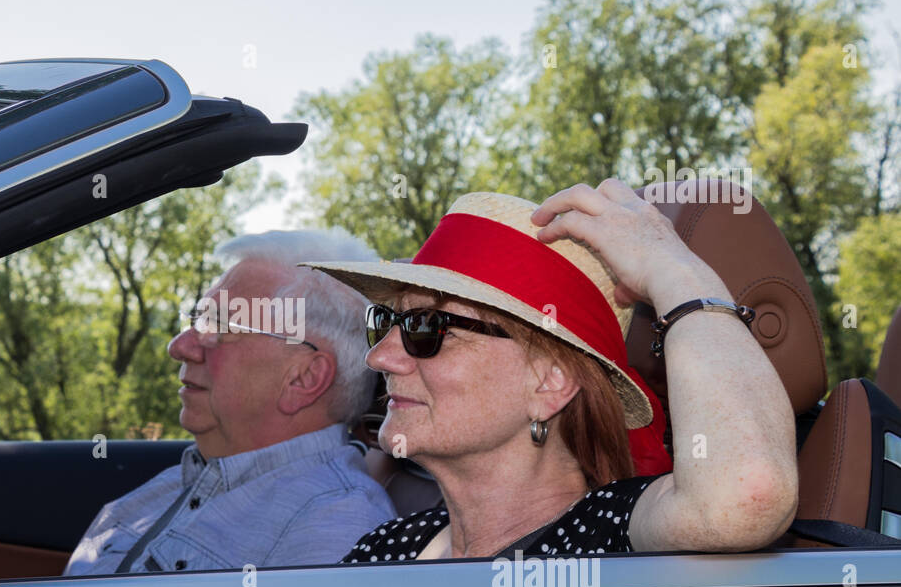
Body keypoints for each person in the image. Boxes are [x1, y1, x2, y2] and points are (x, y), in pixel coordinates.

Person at [305, 180, 799, 562]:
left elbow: (747, 495)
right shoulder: (384, 552)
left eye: (426, 328)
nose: (381, 357)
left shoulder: (609, 538)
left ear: (550, 382)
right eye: (386, 322)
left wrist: (674, 270)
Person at [64, 229, 397, 575]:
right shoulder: (177, 482)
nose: (179, 347)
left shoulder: (332, 528)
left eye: (219, 326)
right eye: (198, 320)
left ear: (303, 379)